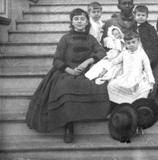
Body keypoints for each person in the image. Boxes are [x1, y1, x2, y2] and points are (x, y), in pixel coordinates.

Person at [25, 8, 111, 143]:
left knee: (99, 84)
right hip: (66, 71)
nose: (79, 21)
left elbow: (101, 52)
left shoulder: (91, 38)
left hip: (86, 71)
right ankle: (69, 126)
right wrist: (69, 70)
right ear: (71, 21)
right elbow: (57, 60)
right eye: (76, 19)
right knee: (66, 86)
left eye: (82, 19)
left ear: (87, 21)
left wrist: (88, 61)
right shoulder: (66, 38)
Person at [107, 31, 155, 104]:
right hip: (125, 77)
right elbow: (115, 61)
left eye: (133, 42)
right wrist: (105, 67)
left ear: (138, 42)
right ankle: (122, 104)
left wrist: (151, 82)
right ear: (125, 44)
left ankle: (135, 104)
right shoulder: (125, 53)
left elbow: (148, 69)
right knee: (111, 85)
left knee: (145, 88)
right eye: (128, 43)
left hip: (138, 78)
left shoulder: (142, 54)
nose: (131, 45)